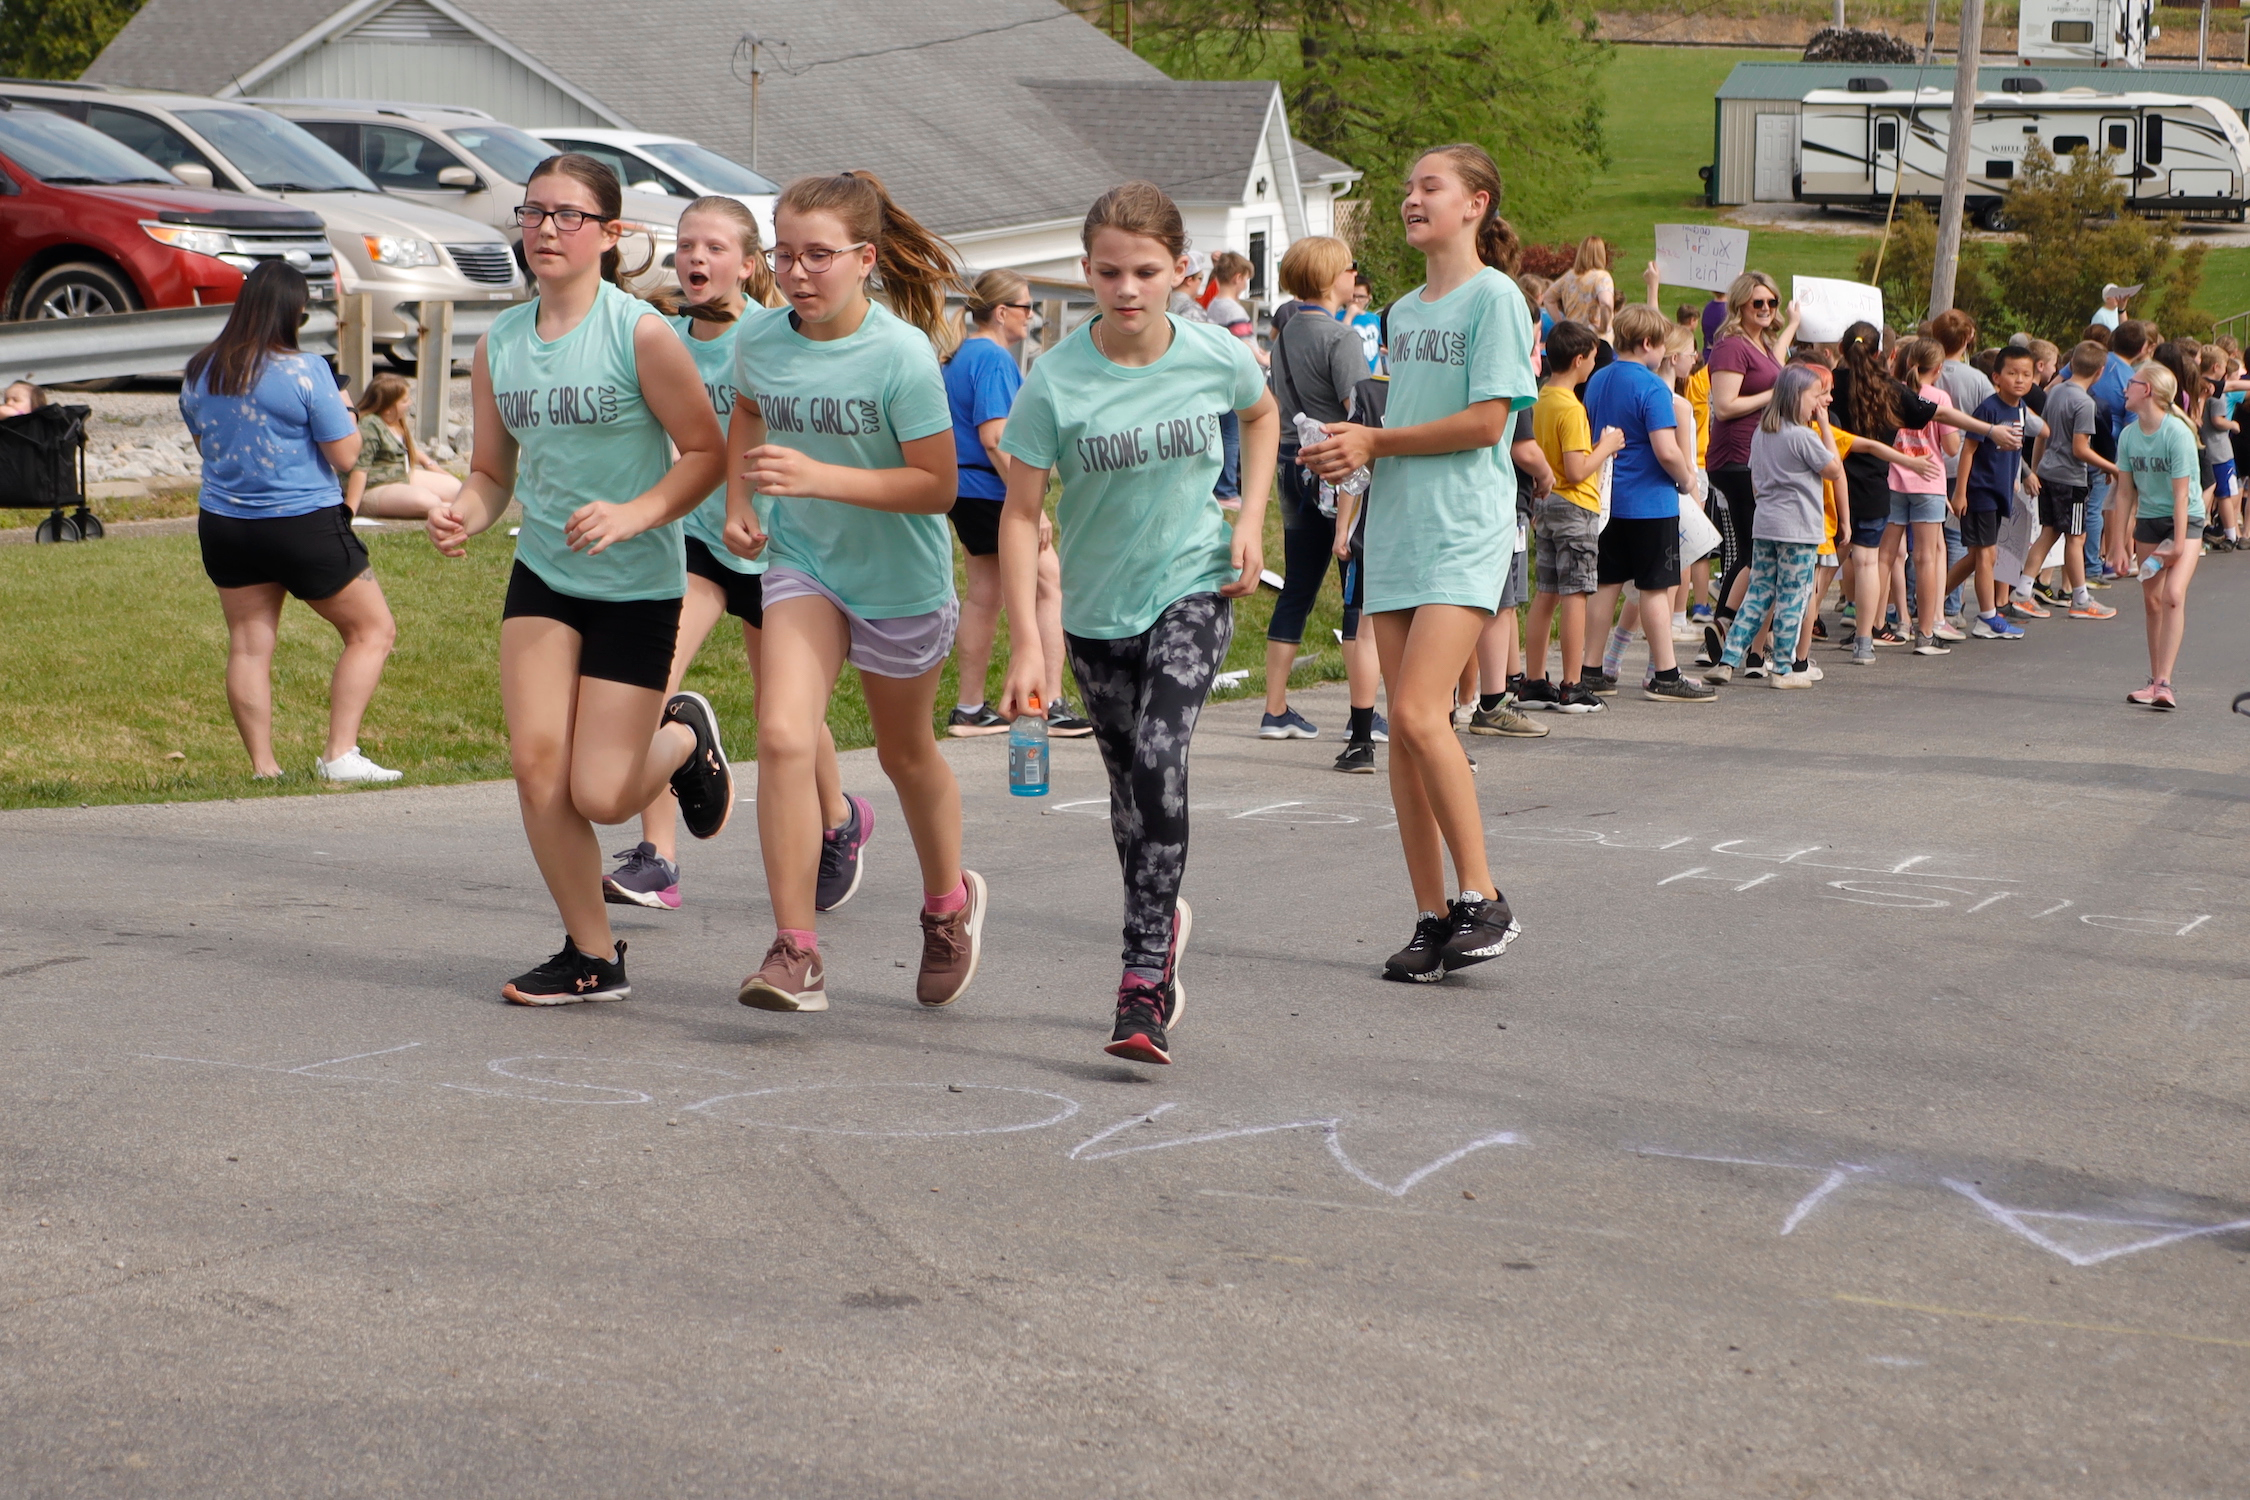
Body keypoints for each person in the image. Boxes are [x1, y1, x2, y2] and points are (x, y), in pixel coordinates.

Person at [425, 154, 730, 1004]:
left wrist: (636, 513)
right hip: (546, 577)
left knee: (600, 793)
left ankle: (682, 738)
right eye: (533, 213)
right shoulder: (499, 343)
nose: (547, 229)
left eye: (569, 215)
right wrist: (462, 512)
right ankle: (592, 956)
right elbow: (492, 473)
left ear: (610, 233)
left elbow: (705, 454)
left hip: (637, 584)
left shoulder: (639, 333)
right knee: (536, 770)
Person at [994, 181, 1275, 1065]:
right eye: (1110, 272)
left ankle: (1141, 978)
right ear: (1086, 271)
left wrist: (1250, 518)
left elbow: (1262, 414)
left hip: (1192, 585)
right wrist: (1027, 641)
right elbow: (1018, 515)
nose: (1127, 288)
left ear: (1180, 271)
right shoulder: (1054, 380)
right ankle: (1163, 916)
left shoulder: (1214, 353)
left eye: (1146, 271)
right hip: (1095, 613)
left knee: (1159, 758)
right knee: (1129, 801)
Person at [723, 170, 985, 1015]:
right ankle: (795, 949)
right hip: (804, 563)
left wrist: (818, 476)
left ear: (865, 259)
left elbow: (937, 487)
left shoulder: (901, 354)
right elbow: (748, 413)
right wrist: (738, 503)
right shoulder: (761, 339)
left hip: (899, 582)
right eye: (783, 254)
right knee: (782, 735)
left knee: (905, 754)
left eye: (819, 256)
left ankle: (948, 905)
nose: (797, 273)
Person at [1302, 142, 1539, 984]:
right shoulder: (1402, 312)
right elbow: (1404, 423)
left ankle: (1485, 897)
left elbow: (1486, 425)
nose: (1412, 197)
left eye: (1429, 186)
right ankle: (1433, 919)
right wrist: (1350, 457)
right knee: (1403, 735)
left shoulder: (1496, 297)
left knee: (1416, 712)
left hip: (1463, 529)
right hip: (1396, 528)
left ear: (1475, 203)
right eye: (1408, 186)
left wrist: (1377, 440)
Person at [601, 195, 860, 914]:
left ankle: (839, 819)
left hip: (779, 547)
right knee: (651, 683)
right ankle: (659, 856)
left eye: (715, 247)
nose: (696, 257)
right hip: (694, 542)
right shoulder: (660, 338)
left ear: (748, 265)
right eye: (687, 244)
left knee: (788, 711)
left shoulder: (776, 336)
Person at [181, 262, 399, 786]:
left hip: (226, 524)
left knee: (249, 645)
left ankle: (264, 768)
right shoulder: (307, 370)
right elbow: (346, 456)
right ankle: (339, 754)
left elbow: (206, 447)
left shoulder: (200, 370)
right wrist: (345, 406)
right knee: (372, 630)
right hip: (303, 524)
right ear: (294, 312)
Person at [941, 268, 1090, 740]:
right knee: (1050, 586)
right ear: (1002, 312)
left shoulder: (960, 354)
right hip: (992, 489)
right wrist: (1033, 507)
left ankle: (969, 708)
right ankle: (1050, 702)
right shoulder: (993, 358)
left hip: (964, 490)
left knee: (984, 595)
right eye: (1027, 307)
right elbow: (995, 436)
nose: (1032, 316)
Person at [1262, 234, 1376, 742]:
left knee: (1297, 587)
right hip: (1336, 469)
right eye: (1350, 267)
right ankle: (1363, 711)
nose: (1354, 275)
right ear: (1332, 278)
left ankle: (1275, 708)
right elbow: (1360, 410)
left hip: (1292, 464)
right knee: (1356, 593)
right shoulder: (1340, 338)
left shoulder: (1284, 334)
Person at [1583, 303, 1714, 701]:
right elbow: (1667, 450)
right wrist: (1687, 479)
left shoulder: (1598, 379)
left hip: (1609, 499)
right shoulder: (1653, 387)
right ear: (1646, 343)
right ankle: (1666, 674)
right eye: (1660, 345)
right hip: (1651, 503)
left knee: (1606, 584)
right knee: (1656, 588)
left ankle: (1591, 669)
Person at [1701, 365, 1840, 690]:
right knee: (1793, 595)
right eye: (1815, 396)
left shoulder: (1762, 433)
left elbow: (1754, 481)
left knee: (1758, 592)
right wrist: (1824, 425)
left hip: (1765, 524)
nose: (1818, 403)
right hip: (1798, 529)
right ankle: (1783, 668)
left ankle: (1728, 660)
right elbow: (1833, 469)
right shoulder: (1804, 436)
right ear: (1796, 398)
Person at [1519, 319, 1619, 714]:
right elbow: (1577, 470)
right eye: (1592, 358)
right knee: (1576, 592)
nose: (1593, 365)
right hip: (1575, 504)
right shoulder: (1572, 408)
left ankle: (1533, 680)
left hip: (1545, 502)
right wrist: (1606, 446)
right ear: (1579, 360)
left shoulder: (1539, 398)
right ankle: (1572, 684)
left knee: (1547, 591)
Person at [1828, 322, 1944, 664]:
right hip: (1876, 487)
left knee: (1825, 563)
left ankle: (1800, 641)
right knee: (1869, 561)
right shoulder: (1890, 389)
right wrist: (1988, 429)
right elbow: (1932, 414)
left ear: (1841, 349)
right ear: (1883, 353)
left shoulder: (1830, 383)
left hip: (1835, 487)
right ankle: (1865, 641)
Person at [1702, 271, 1799, 658]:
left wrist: (1793, 324)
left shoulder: (1760, 343)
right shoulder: (1731, 345)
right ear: (1740, 304)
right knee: (1754, 549)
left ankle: (1730, 631)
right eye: (1757, 302)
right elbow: (1725, 406)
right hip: (1737, 458)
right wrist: (1775, 394)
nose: (1765, 308)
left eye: (1772, 302)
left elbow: (1775, 365)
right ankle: (1723, 628)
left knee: (1752, 548)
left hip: (1757, 457)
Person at [2106, 361, 2202, 710]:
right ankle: (2153, 680)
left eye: (2131, 383)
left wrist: (2178, 544)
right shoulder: (2129, 435)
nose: (2124, 389)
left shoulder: (2176, 433)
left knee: (2174, 594)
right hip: (2149, 518)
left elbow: (2182, 495)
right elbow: (2124, 493)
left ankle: (2165, 682)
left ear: (2146, 390)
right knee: (2152, 601)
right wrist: (2118, 544)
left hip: (2184, 519)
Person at [1944, 343, 2040, 641]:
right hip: (1980, 490)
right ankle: (1987, 617)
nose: (2020, 379)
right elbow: (1968, 449)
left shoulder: (2020, 408)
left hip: (2000, 492)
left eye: (2026, 374)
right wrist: (1961, 492)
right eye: (2012, 373)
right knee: (1987, 554)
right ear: (1997, 377)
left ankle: (1928, 602)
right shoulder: (1988, 408)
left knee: (1977, 556)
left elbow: (2014, 449)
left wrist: (2016, 478)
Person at [2026, 339, 2120, 621]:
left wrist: (2036, 468)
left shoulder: (2055, 391)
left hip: (2048, 471)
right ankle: (2080, 598)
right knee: (2076, 537)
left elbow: (2043, 434)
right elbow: (2080, 448)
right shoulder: (2084, 403)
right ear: (2099, 372)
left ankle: (2022, 591)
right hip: (2071, 477)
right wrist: (2113, 468)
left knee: (2049, 532)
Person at [344, 374, 462, 522]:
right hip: (373, 487)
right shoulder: (369, 426)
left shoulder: (394, 421)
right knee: (426, 502)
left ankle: (445, 505)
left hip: (399, 476)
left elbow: (399, 450)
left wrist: (428, 463)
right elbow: (360, 470)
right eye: (405, 400)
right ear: (387, 408)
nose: (410, 403)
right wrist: (350, 511)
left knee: (457, 489)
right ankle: (445, 507)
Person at [1206, 250, 1259, 512]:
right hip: (1235, 379)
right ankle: (1227, 491)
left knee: (1224, 433)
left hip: (1219, 377)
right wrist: (1264, 357)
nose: (1246, 283)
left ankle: (1228, 487)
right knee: (1232, 436)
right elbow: (1244, 344)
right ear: (1238, 277)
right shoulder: (1232, 309)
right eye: (1246, 278)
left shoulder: (1214, 304)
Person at [1541, 235, 1615, 342]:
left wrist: (1559, 322)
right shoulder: (1602, 277)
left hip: (1572, 336)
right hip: (1595, 338)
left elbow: (1548, 298)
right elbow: (1606, 303)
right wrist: (1603, 327)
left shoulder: (1569, 276)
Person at [1348, 273, 1383, 372]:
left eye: (1361, 297)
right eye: (1353, 296)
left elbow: (1381, 345)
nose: (1356, 300)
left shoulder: (1375, 319)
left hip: (1372, 372)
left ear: (1368, 298)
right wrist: (1349, 316)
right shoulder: (1336, 317)